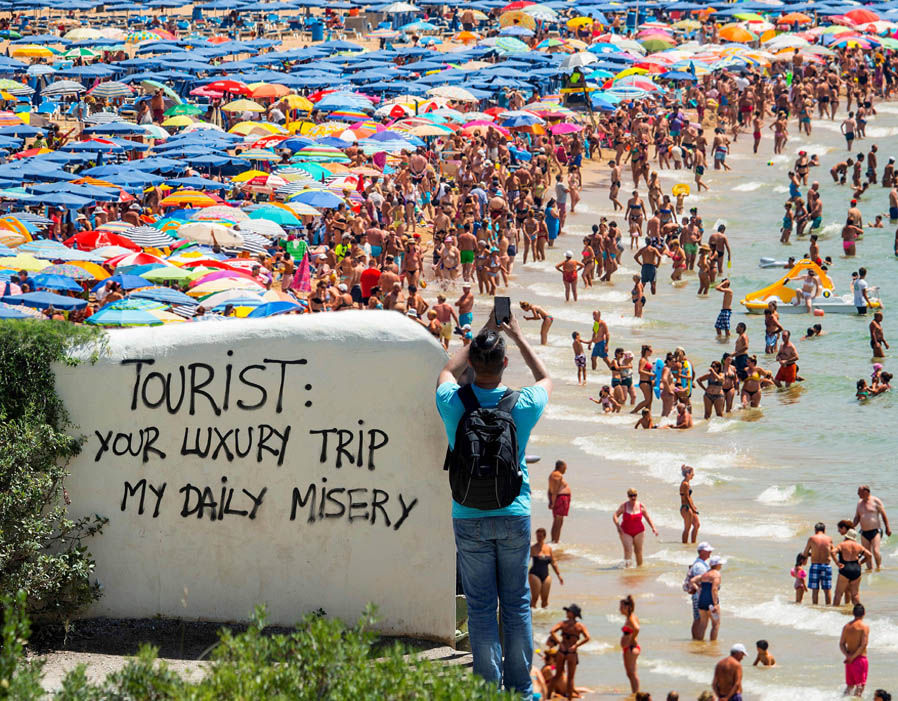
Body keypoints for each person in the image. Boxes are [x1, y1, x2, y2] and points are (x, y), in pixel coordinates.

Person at [435, 311, 551, 696]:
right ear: (504, 364)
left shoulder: (453, 402)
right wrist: (516, 335)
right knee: (516, 604)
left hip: (468, 514)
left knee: (481, 606)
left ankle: (487, 688)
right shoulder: (522, 404)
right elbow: (546, 378)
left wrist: (483, 329)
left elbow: (446, 372)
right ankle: (519, 688)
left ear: (474, 362)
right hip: (513, 512)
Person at [547, 605, 590, 701]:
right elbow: (588, 637)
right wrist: (576, 646)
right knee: (570, 678)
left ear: (573, 613)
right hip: (572, 652)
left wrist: (559, 643)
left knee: (557, 675)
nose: (566, 613)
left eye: (568, 611)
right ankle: (569, 699)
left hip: (562, 651)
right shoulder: (580, 626)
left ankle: (548, 696)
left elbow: (552, 631)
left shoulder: (563, 623)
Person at [612, 488, 658, 567]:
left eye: (635, 495)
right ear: (628, 496)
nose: (633, 497)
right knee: (628, 550)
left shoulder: (641, 506)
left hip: (639, 531)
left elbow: (647, 517)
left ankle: (639, 569)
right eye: (631, 496)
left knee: (638, 551)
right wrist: (618, 526)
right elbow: (615, 515)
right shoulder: (624, 506)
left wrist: (653, 528)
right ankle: (627, 569)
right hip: (625, 532)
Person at [832, 523, 872, 607]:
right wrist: (861, 562)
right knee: (855, 594)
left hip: (845, 568)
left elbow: (832, 552)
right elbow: (869, 555)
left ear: (847, 536)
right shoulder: (858, 546)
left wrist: (837, 563)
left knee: (838, 593)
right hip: (856, 569)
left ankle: (834, 614)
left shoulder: (842, 544)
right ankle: (858, 612)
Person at [854, 484, 891, 570]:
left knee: (876, 551)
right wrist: (852, 526)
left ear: (866, 491)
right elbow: (857, 517)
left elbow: (883, 515)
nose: (858, 494)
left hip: (875, 531)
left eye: (859, 492)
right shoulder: (859, 503)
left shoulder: (876, 501)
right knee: (867, 554)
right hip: (864, 532)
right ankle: (869, 570)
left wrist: (887, 528)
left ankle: (878, 567)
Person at [690, 555, 724, 641]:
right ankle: (713, 645)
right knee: (716, 624)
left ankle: (699, 643)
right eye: (721, 564)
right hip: (711, 601)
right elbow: (714, 589)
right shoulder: (716, 575)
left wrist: (698, 589)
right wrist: (715, 604)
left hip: (702, 601)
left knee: (703, 624)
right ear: (717, 565)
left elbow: (692, 580)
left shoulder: (705, 574)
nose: (721, 566)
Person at [529, 527, 562, 608]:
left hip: (546, 575)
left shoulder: (548, 548)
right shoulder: (533, 548)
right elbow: (526, 562)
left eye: (540, 536)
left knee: (545, 600)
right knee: (535, 598)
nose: (538, 538)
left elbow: (553, 563)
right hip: (534, 574)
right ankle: (531, 617)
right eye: (537, 536)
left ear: (544, 537)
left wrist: (559, 576)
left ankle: (544, 620)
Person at [841, 603, 869, 697]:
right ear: (864, 613)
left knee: (850, 686)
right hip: (860, 659)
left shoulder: (846, 627)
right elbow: (863, 644)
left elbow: (841, 644)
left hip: (849, 661)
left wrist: (848, 656)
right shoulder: (864, 627)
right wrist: (853, 657)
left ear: (853, 613)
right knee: (860, 686)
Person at [803, 522, 834, 605]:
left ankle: (815, 608)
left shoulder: (812, 538)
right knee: (827, 590)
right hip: (826, 566)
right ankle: (828, 607)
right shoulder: (829, 539)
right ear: (824, 530)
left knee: (815, 590)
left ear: (815, 530)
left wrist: (805, 561)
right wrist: (838, 563)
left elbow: (805, 552)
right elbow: (833, 552)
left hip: (815, 565)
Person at [687, 543, 713, 640]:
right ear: (701, 552)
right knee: (700, 620)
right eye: (708, 550)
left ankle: (696, 639)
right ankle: (698, 639)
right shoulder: (700, 566)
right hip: (700, 596)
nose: (710, 552)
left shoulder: (700, 563)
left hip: (698, 595)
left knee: (698, 619)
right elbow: (701, 582)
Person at [619, 595, 641, 694]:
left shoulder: (631, 618)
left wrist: (632, 639)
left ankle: (636, 693)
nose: (619, 609)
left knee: (632, 673)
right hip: (629, 648)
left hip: (630, 648)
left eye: (621, 607)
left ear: (628, 607)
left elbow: (637, 629)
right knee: (630, 673)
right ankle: (634, 693)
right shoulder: (630, 617)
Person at [548, 460, 571, 544]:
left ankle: (554, 540)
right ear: (561, 466)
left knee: (557, 521)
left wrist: (550, 501)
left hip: (559, 499)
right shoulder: (557, 475)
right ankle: (555, 541)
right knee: (558, 521)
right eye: (565, 467)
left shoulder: (553, 475)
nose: (566, 469)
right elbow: (555, 490)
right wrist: (553, 502)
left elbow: (549, 490)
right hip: (561, 499)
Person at [679, 465, 700, 544]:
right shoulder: (685, 484)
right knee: (687, 528)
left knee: (697, 525)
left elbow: (689, 497)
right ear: (688, 474)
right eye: (692, 473)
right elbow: (687, 497)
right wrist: (693, 508)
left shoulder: (687, 482)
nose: (693, 474)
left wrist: (693, 506)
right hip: (686, 508)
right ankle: (685, 545)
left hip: (689, 507)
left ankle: (693, 543)